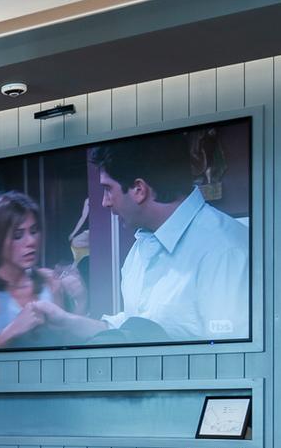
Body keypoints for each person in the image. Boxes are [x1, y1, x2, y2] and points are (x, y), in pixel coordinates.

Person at [87, 132, 249, 343]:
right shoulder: (140, 248)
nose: (105, 202)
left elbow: (232, 360)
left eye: (108, 189)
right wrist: (66, 322)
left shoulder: (225, 251)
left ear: (139, 189)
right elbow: (136, 325)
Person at [0, 192, 104, 351]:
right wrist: (11, 332)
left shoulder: (50, 280)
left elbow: (63, 346)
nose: (31, 241)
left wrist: (82, 302)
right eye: (18, 235)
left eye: (34, 231)